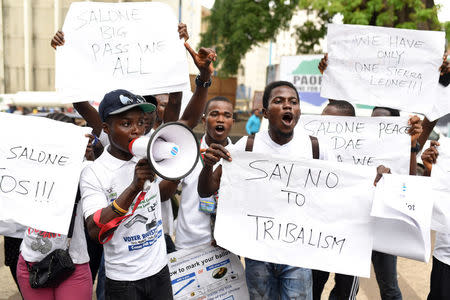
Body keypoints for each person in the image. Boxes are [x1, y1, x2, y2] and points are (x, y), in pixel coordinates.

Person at [79, 42, 216, 299]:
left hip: (159, 271)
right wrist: (133, 187)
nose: (136, 130)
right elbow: (95, 230)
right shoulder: (94, 172)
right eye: (125, 123)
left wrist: (204, 78)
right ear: (106, 129)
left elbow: (187, 122)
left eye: (141, 122)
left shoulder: (151, 148)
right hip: (123, 281)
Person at [198, 81, 336, 300]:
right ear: (264, 112)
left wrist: (374, 177)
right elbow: (207, 190)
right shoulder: (246, 147)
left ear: (299, 111)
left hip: (297, 255)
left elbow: (343, 189)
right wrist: (207, 166)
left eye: (293, 102)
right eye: (278, 101)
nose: (287, 107)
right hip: (258, 254)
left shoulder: (315, 148)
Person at [16, 113, 94, 300]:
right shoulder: (26, 169)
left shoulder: (84, 169)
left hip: (74, 262)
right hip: (31, 264)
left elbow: (100, 184)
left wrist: (89, 158)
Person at [161, 96, 234, 250]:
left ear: (232, 122)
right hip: (189, 243)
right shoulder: (188, 152)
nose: (220, 119)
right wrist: (178, 169)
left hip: (226, 244)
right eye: (214, 114)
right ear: (203, 120)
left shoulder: (238, 157)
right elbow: (162, 195)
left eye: (227, 116)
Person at [312, 99, 359, 300]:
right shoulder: (311, 149)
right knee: (310, 289)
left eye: (331, 125)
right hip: (314, 237)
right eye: (322, 123)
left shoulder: (367, 156)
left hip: (351, 238)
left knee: (344, 293)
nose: (325, 130)